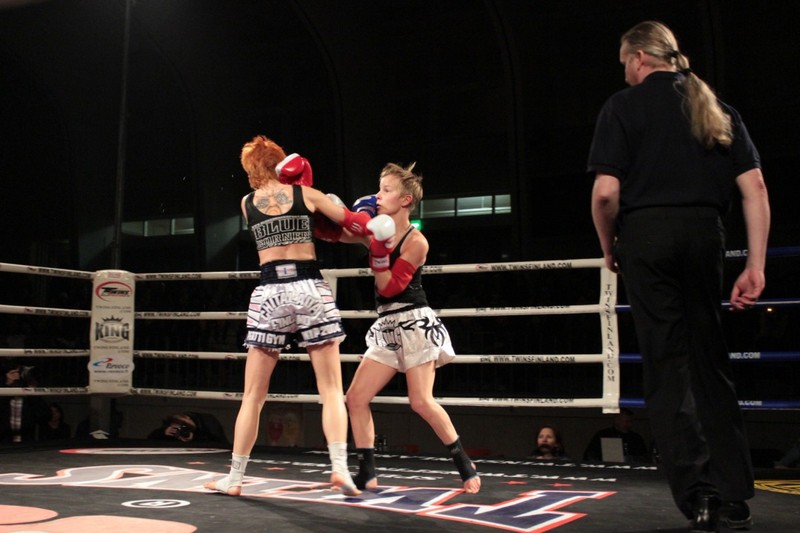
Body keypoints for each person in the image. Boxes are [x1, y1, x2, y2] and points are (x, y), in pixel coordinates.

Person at [588, 21, 770, 532]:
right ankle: (733, 497)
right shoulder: (717, 108)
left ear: (639, 58)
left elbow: (605, 194)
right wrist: (755, 264)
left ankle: (700, 495)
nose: (625, 73)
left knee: (668, 366)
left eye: (625, 63)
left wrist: (609, 247)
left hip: (647, 238)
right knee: (709, 361)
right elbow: (755, 187)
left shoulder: (622, 107)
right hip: (704, 235)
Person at [203, 135, 376, 497]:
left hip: (270, 293)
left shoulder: (246, 203)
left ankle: (235, 478)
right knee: (331, 389)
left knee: (253, 395)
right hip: (310, 288)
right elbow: (356, 224)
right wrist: (365, 215)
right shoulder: (307, 195)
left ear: (251, 169)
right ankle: (340, 469)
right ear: (282, 162)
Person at [341, 163, 481, 494]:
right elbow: (338, 233)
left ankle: (464, 463)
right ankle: (367, 472)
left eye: (386, 190)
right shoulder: (375, 229)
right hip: (387, 324)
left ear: (405, 200)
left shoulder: (417, 242)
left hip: (414, 322)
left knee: (420, 401)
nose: (377, 196)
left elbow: (390, 287)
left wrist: (377, 254)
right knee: (356, 398)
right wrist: (322, 211)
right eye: (378, 189)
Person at [1, 361, 48, 444]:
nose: (18, 375)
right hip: (4, 442)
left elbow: (44, 416)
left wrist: (32, 390)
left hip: (26, 443)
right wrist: (7, 385)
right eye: (15, 372)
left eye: (20, 372)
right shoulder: (3, 393)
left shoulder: (29, 397)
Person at [582, 408, 648, 463]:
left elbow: (645, 457)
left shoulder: (636, 438)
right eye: (626, 421)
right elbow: (590, 455)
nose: (629, 425)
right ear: (616, 420)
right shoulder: (603, 435)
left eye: (631, 422)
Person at [148, 412, 229, 445]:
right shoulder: (172, 425)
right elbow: (150, 439)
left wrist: (194, 437)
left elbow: (219, 441)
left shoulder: (208, 421)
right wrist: (163, 432)